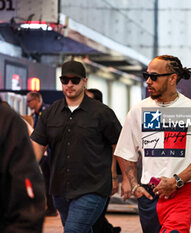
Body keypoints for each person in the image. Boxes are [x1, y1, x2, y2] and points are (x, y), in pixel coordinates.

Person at [115, 55, 191, 233]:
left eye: (154, 76)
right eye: (146, 75)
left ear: (172, 78)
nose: (148, 81)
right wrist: (134, 185)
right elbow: (124, 151)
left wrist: (176, 181)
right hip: (148, 195)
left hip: (181, 193)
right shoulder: (139, 110)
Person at [30, 60, 122, 233]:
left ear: (85, 81)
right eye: (65, 80)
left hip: (92, 188)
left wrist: (122, 178)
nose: (69, 85)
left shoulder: (102, 113)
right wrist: (25, 173)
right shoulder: (51, 113)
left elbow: (119, 145)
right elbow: (38, 145)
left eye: (75, 80)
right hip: (59, 189)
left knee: (73, 230)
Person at [0, 98, 46, 233]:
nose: (28, 104)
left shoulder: (9, 121)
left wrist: (33, 163)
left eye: (30, 101)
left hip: (34, 159)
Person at [86, 88, 122, 233]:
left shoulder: (105, 118)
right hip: (84, 177)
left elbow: (115, 149)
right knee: (93, 218)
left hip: (102, 177)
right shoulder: (79, 120)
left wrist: (113, 177)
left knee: (95, 216)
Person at [26, 91, 57, 216]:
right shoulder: (35, 114)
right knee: (45, 181)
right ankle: (50, 207)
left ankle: (52, 208)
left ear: (37, 100)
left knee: (51, 181)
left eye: (29, 101)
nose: (28, 104)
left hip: (49, 153)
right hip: (42, 153)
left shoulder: (47, 111)